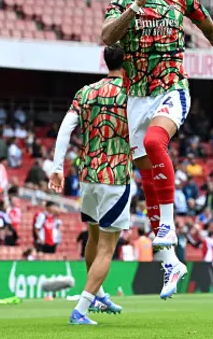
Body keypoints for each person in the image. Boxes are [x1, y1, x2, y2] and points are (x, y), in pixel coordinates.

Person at [101, 0, 213, 293]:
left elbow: (208, 27)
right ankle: (170, 262)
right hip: (136, 97)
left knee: (154, 141)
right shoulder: (122, 1)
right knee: (147, 179)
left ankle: (168, 229)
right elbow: (107, 37)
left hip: (171, 89)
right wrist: (137, 5)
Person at [48, 45, 129, 325]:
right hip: (115, 177)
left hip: (88, 175)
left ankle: (99, 294)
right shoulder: (132, 92)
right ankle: (81, 309)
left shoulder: (86, 92)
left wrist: (57, 168)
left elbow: (65, 128)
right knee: (107, 247)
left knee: (94, 238)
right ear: (128, 60)